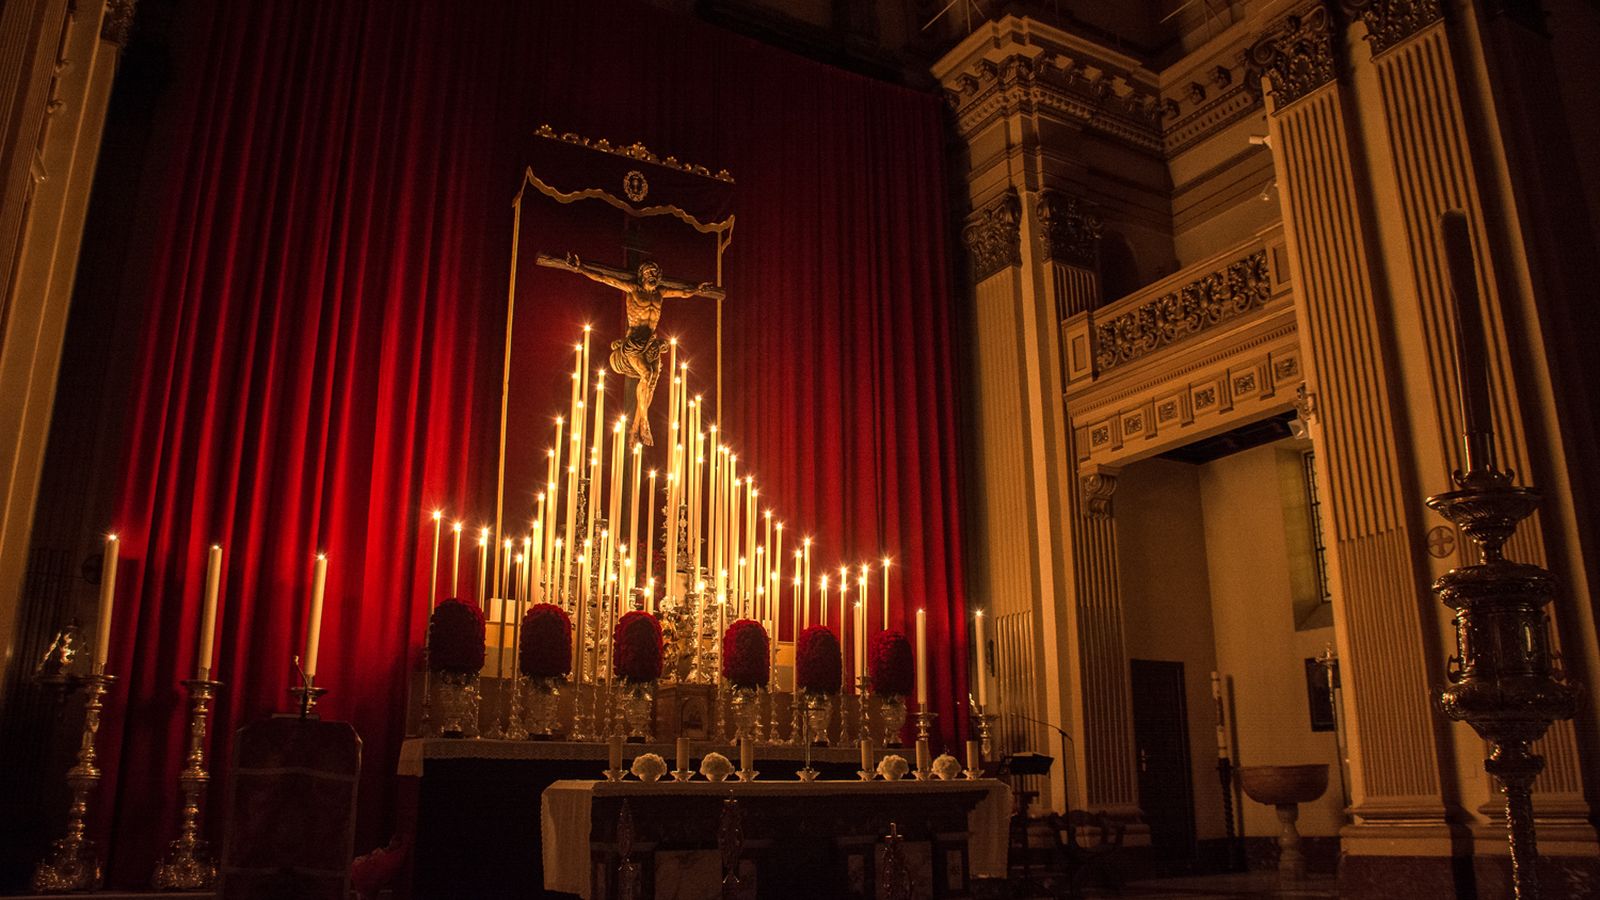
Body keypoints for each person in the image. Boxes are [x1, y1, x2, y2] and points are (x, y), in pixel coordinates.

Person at [537, 252, 725, 445]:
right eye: (649, 272)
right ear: (642, 275)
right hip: (634, 342)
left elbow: (684, 292)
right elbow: (604, 278)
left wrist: (697, 290)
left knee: (652, 379)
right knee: (646, 374)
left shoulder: (660, 293)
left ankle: (636, 427)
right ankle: (644, 422)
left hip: (651, 342)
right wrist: (581, 268)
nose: (653, 275)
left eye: (655, 272)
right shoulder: (633, 290)